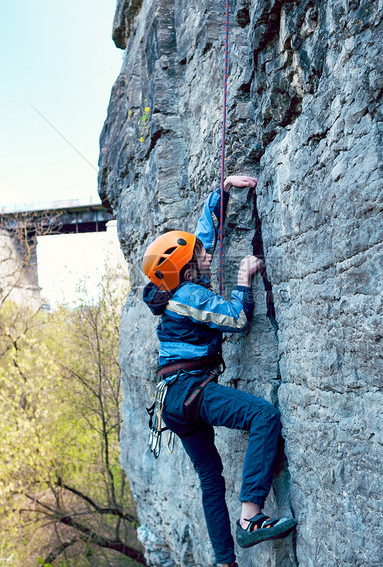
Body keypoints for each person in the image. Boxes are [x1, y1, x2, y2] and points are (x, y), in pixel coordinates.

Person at [142, 175, 297, 567]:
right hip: (191, 392)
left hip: (173, 402)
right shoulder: (190, 297)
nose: (207, 255)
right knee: (262, 415)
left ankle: (224, 562)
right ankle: (250, 519)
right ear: (188, 270)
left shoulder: (181, 282)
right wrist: (245, 278)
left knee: (211, 480)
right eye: (199, 256)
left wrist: (222, 194)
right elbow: (237, 319)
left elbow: (203, 237)